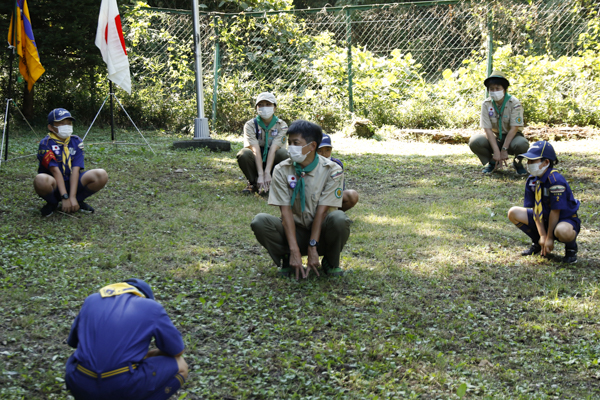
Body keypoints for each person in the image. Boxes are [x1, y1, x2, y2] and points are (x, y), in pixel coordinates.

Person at [251, 120, 351, 279]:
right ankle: (287, 259)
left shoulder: (332, 170)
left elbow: (323, 211)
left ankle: (331, 262)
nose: (291, 147)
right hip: (294, 232)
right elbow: (285, 212)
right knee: (260, 221)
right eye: (289, 143)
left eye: (295, 143)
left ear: (312, 146)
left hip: (321, 234)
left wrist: (313, 246)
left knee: (339, 218)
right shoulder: (281, 169)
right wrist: (294, 250)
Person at [65, 278, 188, 400]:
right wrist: (151, 354)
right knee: (181, 365)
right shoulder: (151, 307)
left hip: (79, 383)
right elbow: (177, 351)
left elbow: (73, 342)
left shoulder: (91, 300)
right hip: (121, 386)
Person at [507, 141, 580, 263]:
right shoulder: (532, 180)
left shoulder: (556, 181)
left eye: (533, 161)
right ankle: (538, 243)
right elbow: (536, 209)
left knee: (563, 231)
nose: (529, 164)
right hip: (544, 218)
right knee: (513, 212)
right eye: (528, 161)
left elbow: (555, 211)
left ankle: (571, 248)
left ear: (546, 162)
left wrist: (550, 237)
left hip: (564, 220)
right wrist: (542, 236)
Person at [34, 108, 108, 216]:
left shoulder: (76, 141)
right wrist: (64, 196)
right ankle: (53, 203)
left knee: (101, 174)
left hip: (73, 182)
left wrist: (72, 196)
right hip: (54, 184)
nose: (66, 126)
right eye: (61, 123)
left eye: (69, 123)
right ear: (51, 127)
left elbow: (75, 169)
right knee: (40, 179)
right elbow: (55, 171)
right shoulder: (46, 143)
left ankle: (77, 201)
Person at [469, 71, 529, 175]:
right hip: (495, 137)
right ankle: (492, 162)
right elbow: (487, 129)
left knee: (522, 144)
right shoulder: (486, 104)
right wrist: (496, 151)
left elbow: (514, 128)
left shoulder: (515, 103)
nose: (494, 91)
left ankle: (518, 163)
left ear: (504, 89)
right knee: (475, 141)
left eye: (497, 88)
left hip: (513, 137)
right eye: (491, 89)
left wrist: (504, 149)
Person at [237, 92, 288, 195]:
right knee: (244, 153)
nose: (264, 107)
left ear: (274, 107)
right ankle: (253, 182)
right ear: (256, 107)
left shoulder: (282, 125)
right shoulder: (250, 125)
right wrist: (261, 174)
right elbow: (255, 149)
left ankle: (274, 181)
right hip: (256, 160)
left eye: (268, 104)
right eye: (261, 105)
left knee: (284, 154)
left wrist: (267, 173)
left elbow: (274, 149)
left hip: (273, 160)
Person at [316, 133, 359, 211]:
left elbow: (340, 188)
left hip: (331, 196)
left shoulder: (337, 164)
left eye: (327, 150)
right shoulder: (309, 164)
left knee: (352, 195)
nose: (324, 153)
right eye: (320, 150)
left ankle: (334, 214)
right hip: (314, 198)